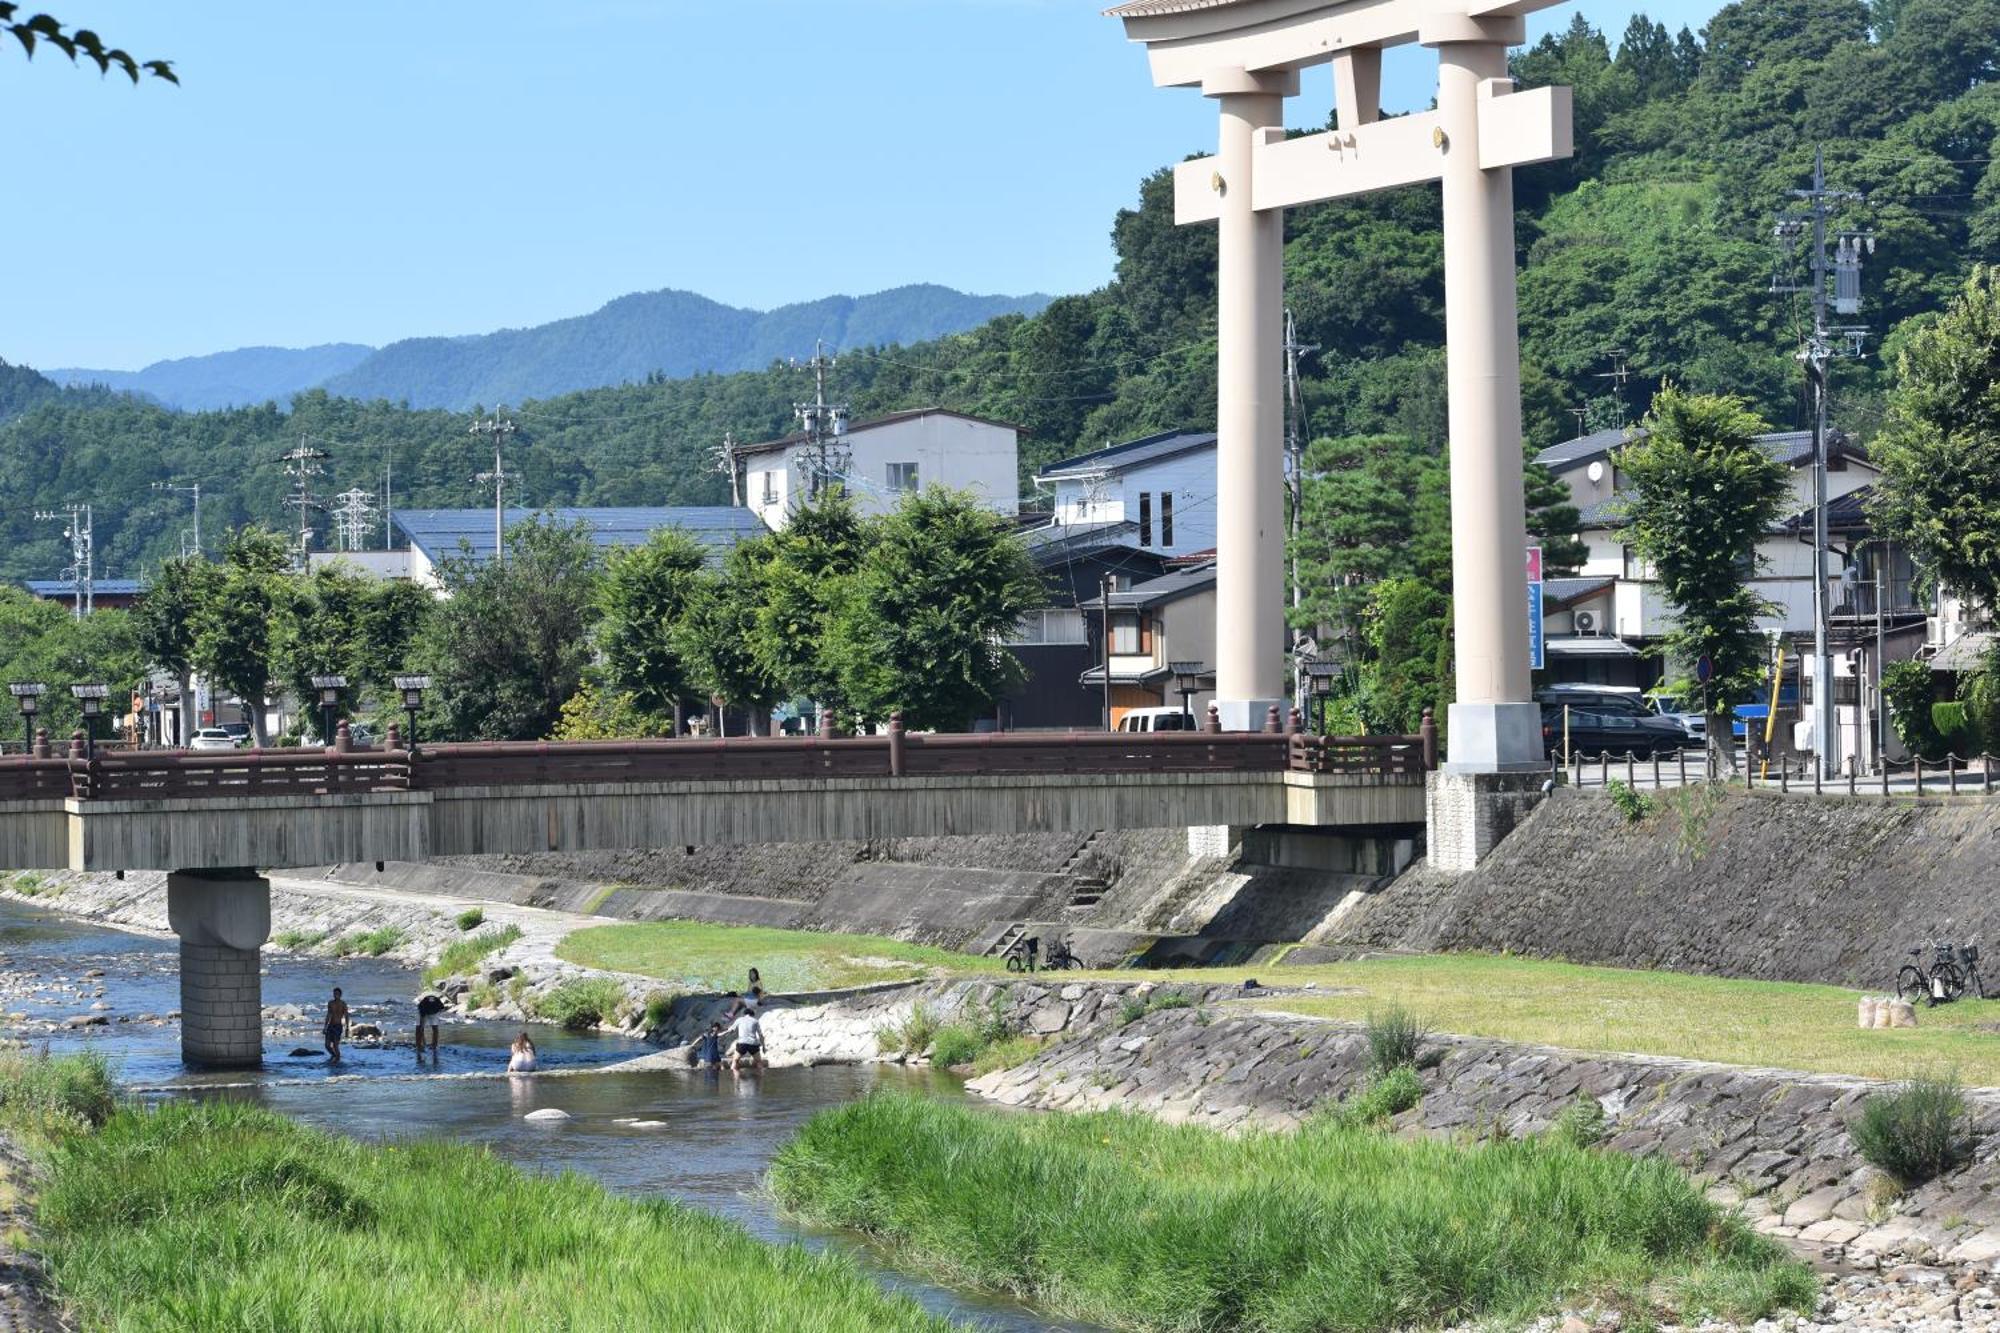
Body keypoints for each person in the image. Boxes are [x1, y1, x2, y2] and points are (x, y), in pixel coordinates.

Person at [728, 1006, 764, 1072]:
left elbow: (731, 1030)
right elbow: (760, 1035)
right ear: (752, 1014)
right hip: (753, 1043)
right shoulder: (755, 1021)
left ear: (744, 1014)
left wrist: (728, 1030)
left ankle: (733, 1077)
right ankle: (761, 1076)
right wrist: (763, 1046)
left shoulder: (739, 1019)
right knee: (759, 1062)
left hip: (742, 1043)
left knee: (735, 1060)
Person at [322, 986, 350, 1062]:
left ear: (340, 995)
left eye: (337, 994)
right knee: (327, 1045)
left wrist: (347, 1028)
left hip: (338, 1027)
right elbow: (328, 1015)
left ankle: (337, 1059)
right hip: (330, 1026)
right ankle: (334, 1056)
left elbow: (346, 1016)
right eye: (334, 994)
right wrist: (325, 1027)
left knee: (335, 1045)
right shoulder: (330, 1003)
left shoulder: (343, 1004)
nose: (336, 995)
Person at [415, 990, 445, 1057]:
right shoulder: (422, 1007)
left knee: (435, 1028)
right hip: (424, 1011)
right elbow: (420, 1027)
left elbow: (442, 1008)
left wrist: (436, 1013)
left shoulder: (438, 1004)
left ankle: (434, 1045)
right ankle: (419, 1045)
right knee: (419, 1028)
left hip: (435, 1011)